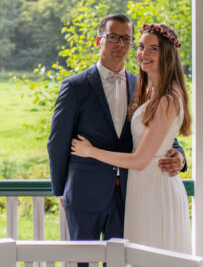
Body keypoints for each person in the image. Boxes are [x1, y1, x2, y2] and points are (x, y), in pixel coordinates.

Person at [47, 14, 186, 267]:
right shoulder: (76, 86)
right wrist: (61, 193)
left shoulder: (144, 84)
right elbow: (57, 142)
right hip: (84, 194)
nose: (122, 45)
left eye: (127, 39)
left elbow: (162, 136)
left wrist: (180, 157)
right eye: (114, 37)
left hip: (130, 195)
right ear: (99, 41)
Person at [71, 23, 192, 254]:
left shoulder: (167, 97)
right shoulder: (146, 89)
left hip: (154, 187)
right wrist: (63, 192)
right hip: (134, 189)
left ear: (167, 54)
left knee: (154, 260)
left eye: (153, 49)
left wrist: (90, 151)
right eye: (140, 46)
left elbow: (142, 157)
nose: (143, 54)